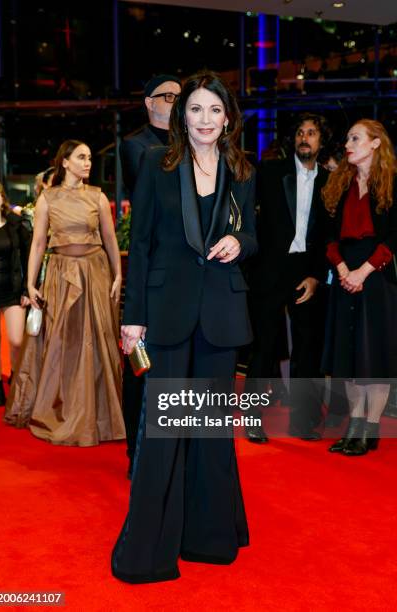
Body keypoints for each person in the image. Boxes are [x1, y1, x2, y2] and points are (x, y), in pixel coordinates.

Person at [111, 70, 257, 583]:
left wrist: (240, 243)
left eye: (214, 110)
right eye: (195, 109)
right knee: (164, 434)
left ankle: (210, 539)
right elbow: (144, 243)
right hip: (167, 314)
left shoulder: (241, 167)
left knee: (212, 433)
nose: (205, 120)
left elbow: (252, 235)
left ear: (227, 117)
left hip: (220, 313)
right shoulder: (157, 163)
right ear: (181, 115)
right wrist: (134, 317)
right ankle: (149, 553)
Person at [4, 140, 125, 446]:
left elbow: (110, 239)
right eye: (81, 157)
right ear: (65, 162)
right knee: (62, 342)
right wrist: (30, 284)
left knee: (97, 341)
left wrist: (119, 274)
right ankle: (63, 407)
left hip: (95, 272)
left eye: (88, 157)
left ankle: (98, 414)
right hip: (59, 273)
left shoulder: (97, 196)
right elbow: (39, 244)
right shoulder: (48, 198)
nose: (88, 162)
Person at [245, 113, 331, 442]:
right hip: (269, 271)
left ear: (321, 142)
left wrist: (316, 276)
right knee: (264, 347)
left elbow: (328, 235)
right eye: (299, 133)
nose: (305, 138)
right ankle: (253, 419)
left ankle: (304, 422)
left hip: (307, 274)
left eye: (311, 133)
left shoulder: (329, 182)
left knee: (307, 350)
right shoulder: (269, 173)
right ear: (292, 140)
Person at [322, 119, 397, 455]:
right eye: (348, 138)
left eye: (355, 138)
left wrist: (362, 272)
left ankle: (370, 427)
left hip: (377, 275)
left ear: (376, 143)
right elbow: (326, 237)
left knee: (374, 355)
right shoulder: (340, 184)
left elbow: (394, 238)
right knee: (349, 354)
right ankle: (354, 424)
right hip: (344, 273)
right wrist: (341, 269)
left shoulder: (393, 184)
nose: (348, 144)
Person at [119, 74, 181, 475]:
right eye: (167, 95)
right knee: (141, 365)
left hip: (188, 270)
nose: (175, 102)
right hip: (152, 265)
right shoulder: (136, 146)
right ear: (148, 102)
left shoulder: (195, 141)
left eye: (181, 96)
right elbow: (148, 205)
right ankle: (135, 451)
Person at [0, 179, 31, 406]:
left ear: (2, 197)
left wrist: (27, 288)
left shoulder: (15, 225)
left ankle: (15, 379)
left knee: (16, 340)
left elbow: (28, 255)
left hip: (13, 290)